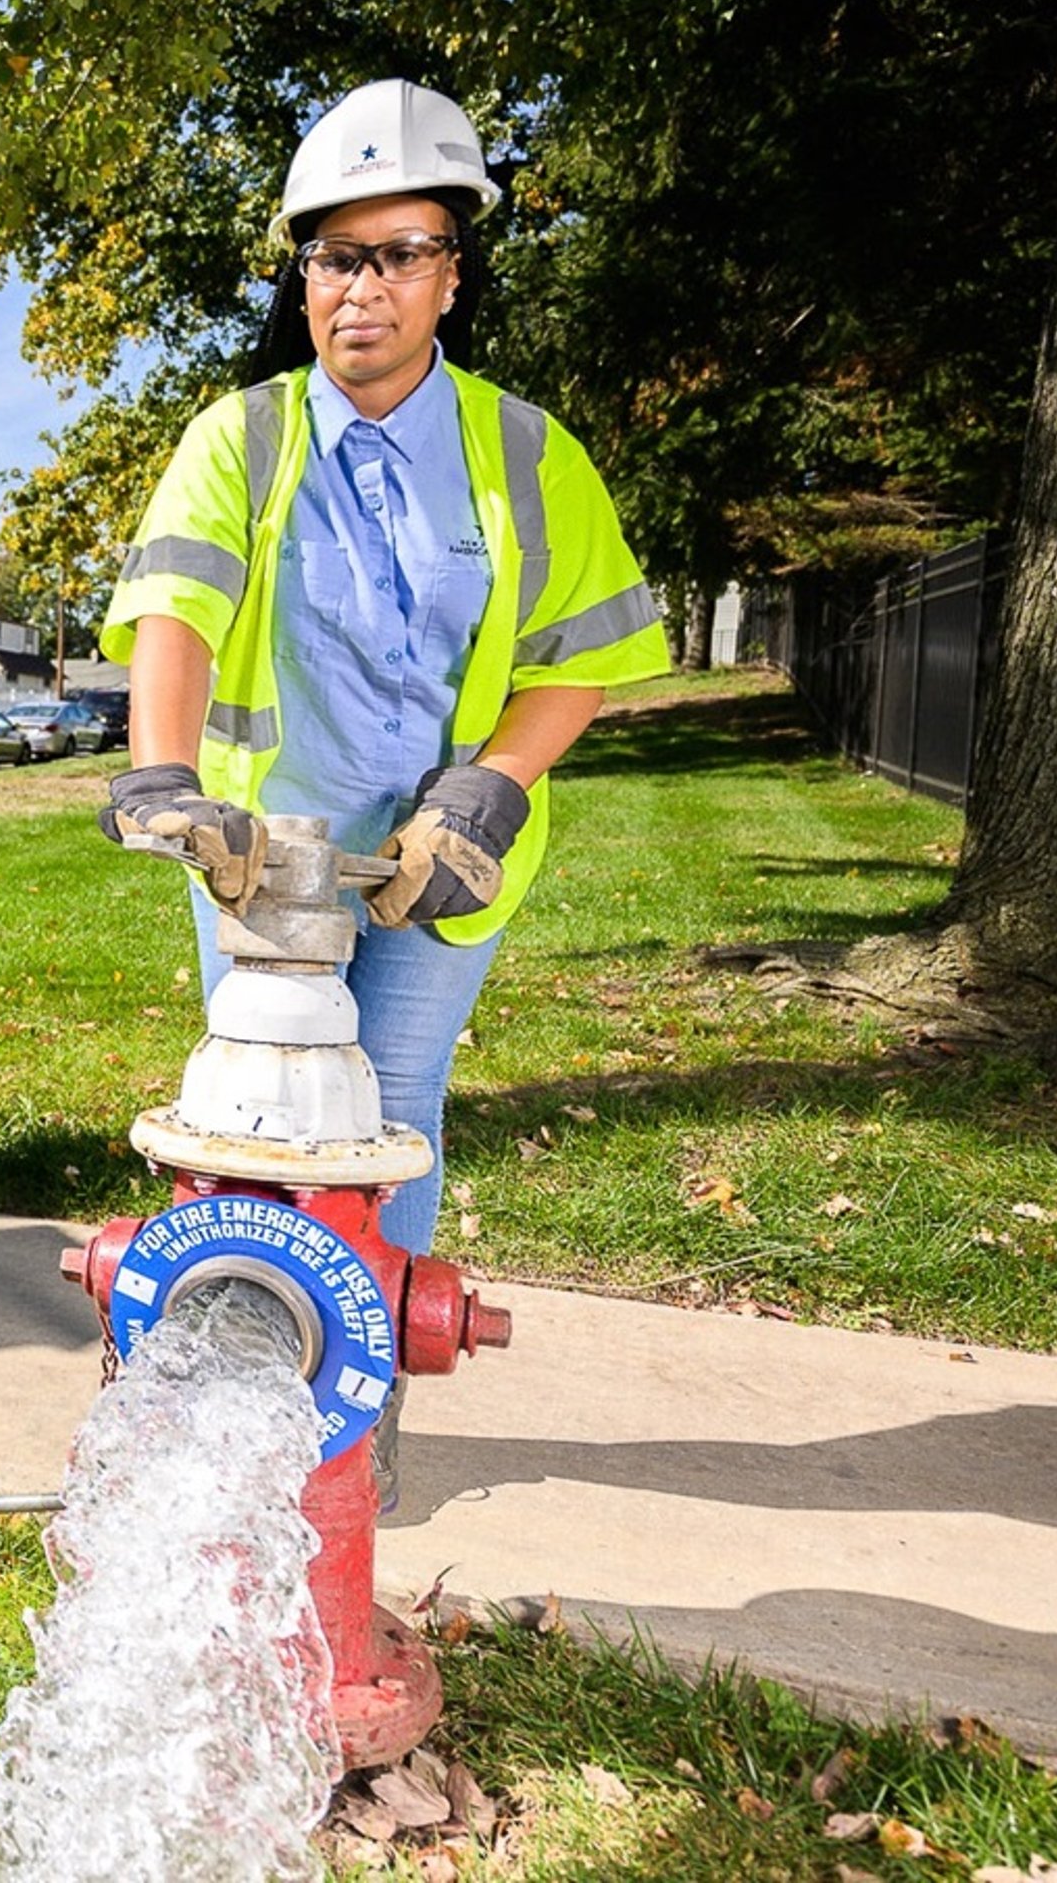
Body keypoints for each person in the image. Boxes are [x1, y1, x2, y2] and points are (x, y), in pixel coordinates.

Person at [98, 78, 670, 1262]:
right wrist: (161, 777)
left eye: (401, 254)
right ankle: (255, 1346)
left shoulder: (524, 451)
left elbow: (577, 656)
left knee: (394, 1101)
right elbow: (177, 612)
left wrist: (486, 794)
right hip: (265, 854)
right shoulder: (242, 438)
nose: (362, 287)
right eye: (335, 257)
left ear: (453, 274)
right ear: (304, 277)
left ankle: (365, 1387)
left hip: (439, 860)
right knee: (259, 1107)